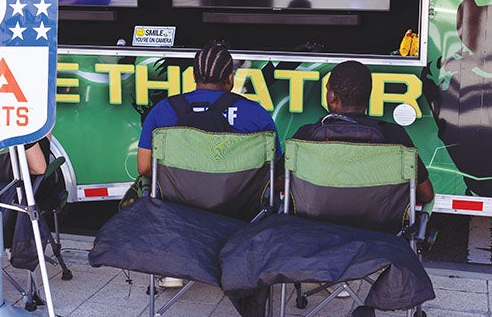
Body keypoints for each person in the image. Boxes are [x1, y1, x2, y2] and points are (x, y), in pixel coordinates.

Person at [137, 41, 279, 286]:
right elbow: (273, 169)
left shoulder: (164, 110)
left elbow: (145, 167)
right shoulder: (255, 113)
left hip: (181, 209)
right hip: (240, 211)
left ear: (193, 76)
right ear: (230, 78)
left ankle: (175, 267)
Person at [292, 60, 434, 206]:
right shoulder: (394, 135)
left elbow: (279, 182)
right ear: (368, 96)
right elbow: (426, 194)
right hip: (376, 228)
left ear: (333, 97)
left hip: (314, 225)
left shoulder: (307, 135)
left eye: (327, 89)